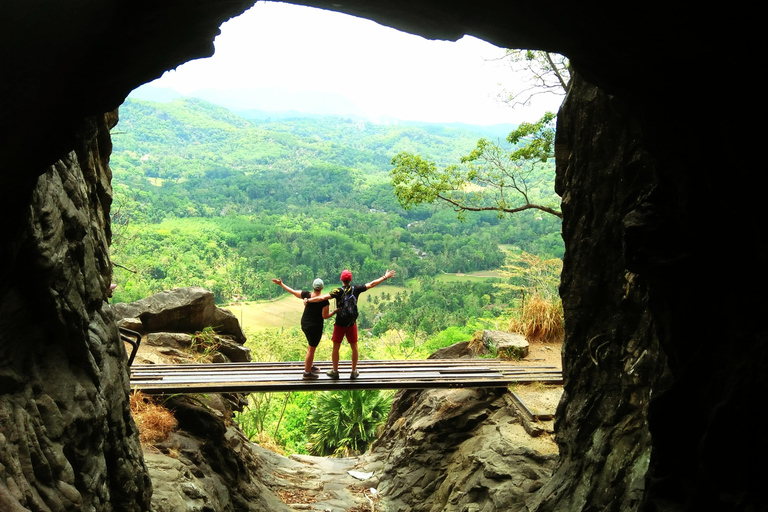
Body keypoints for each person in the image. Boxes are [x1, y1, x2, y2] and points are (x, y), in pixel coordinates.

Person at [308, 269, 395, 379]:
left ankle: (335, 371)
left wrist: (308, 301)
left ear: (341, 279)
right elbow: (372, 284)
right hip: (351, 323)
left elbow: (322, 297)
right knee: (354, 347)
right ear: (350, 279)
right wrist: (385, 277)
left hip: (339, 323)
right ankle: (353, 371)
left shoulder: (338, 291)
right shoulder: (356, 289)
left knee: (336, 347)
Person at [272, 277, 336, 380]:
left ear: (313, 286)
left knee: (310, 347)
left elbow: (293, 291)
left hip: (305, 324)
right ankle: (307, 373)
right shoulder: (324, 301)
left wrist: (281, 284)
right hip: (315, 327)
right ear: (322, 288)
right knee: (311, 349)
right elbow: (325, 316)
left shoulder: (307, 295)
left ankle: (309, 366)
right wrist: (334, 312)